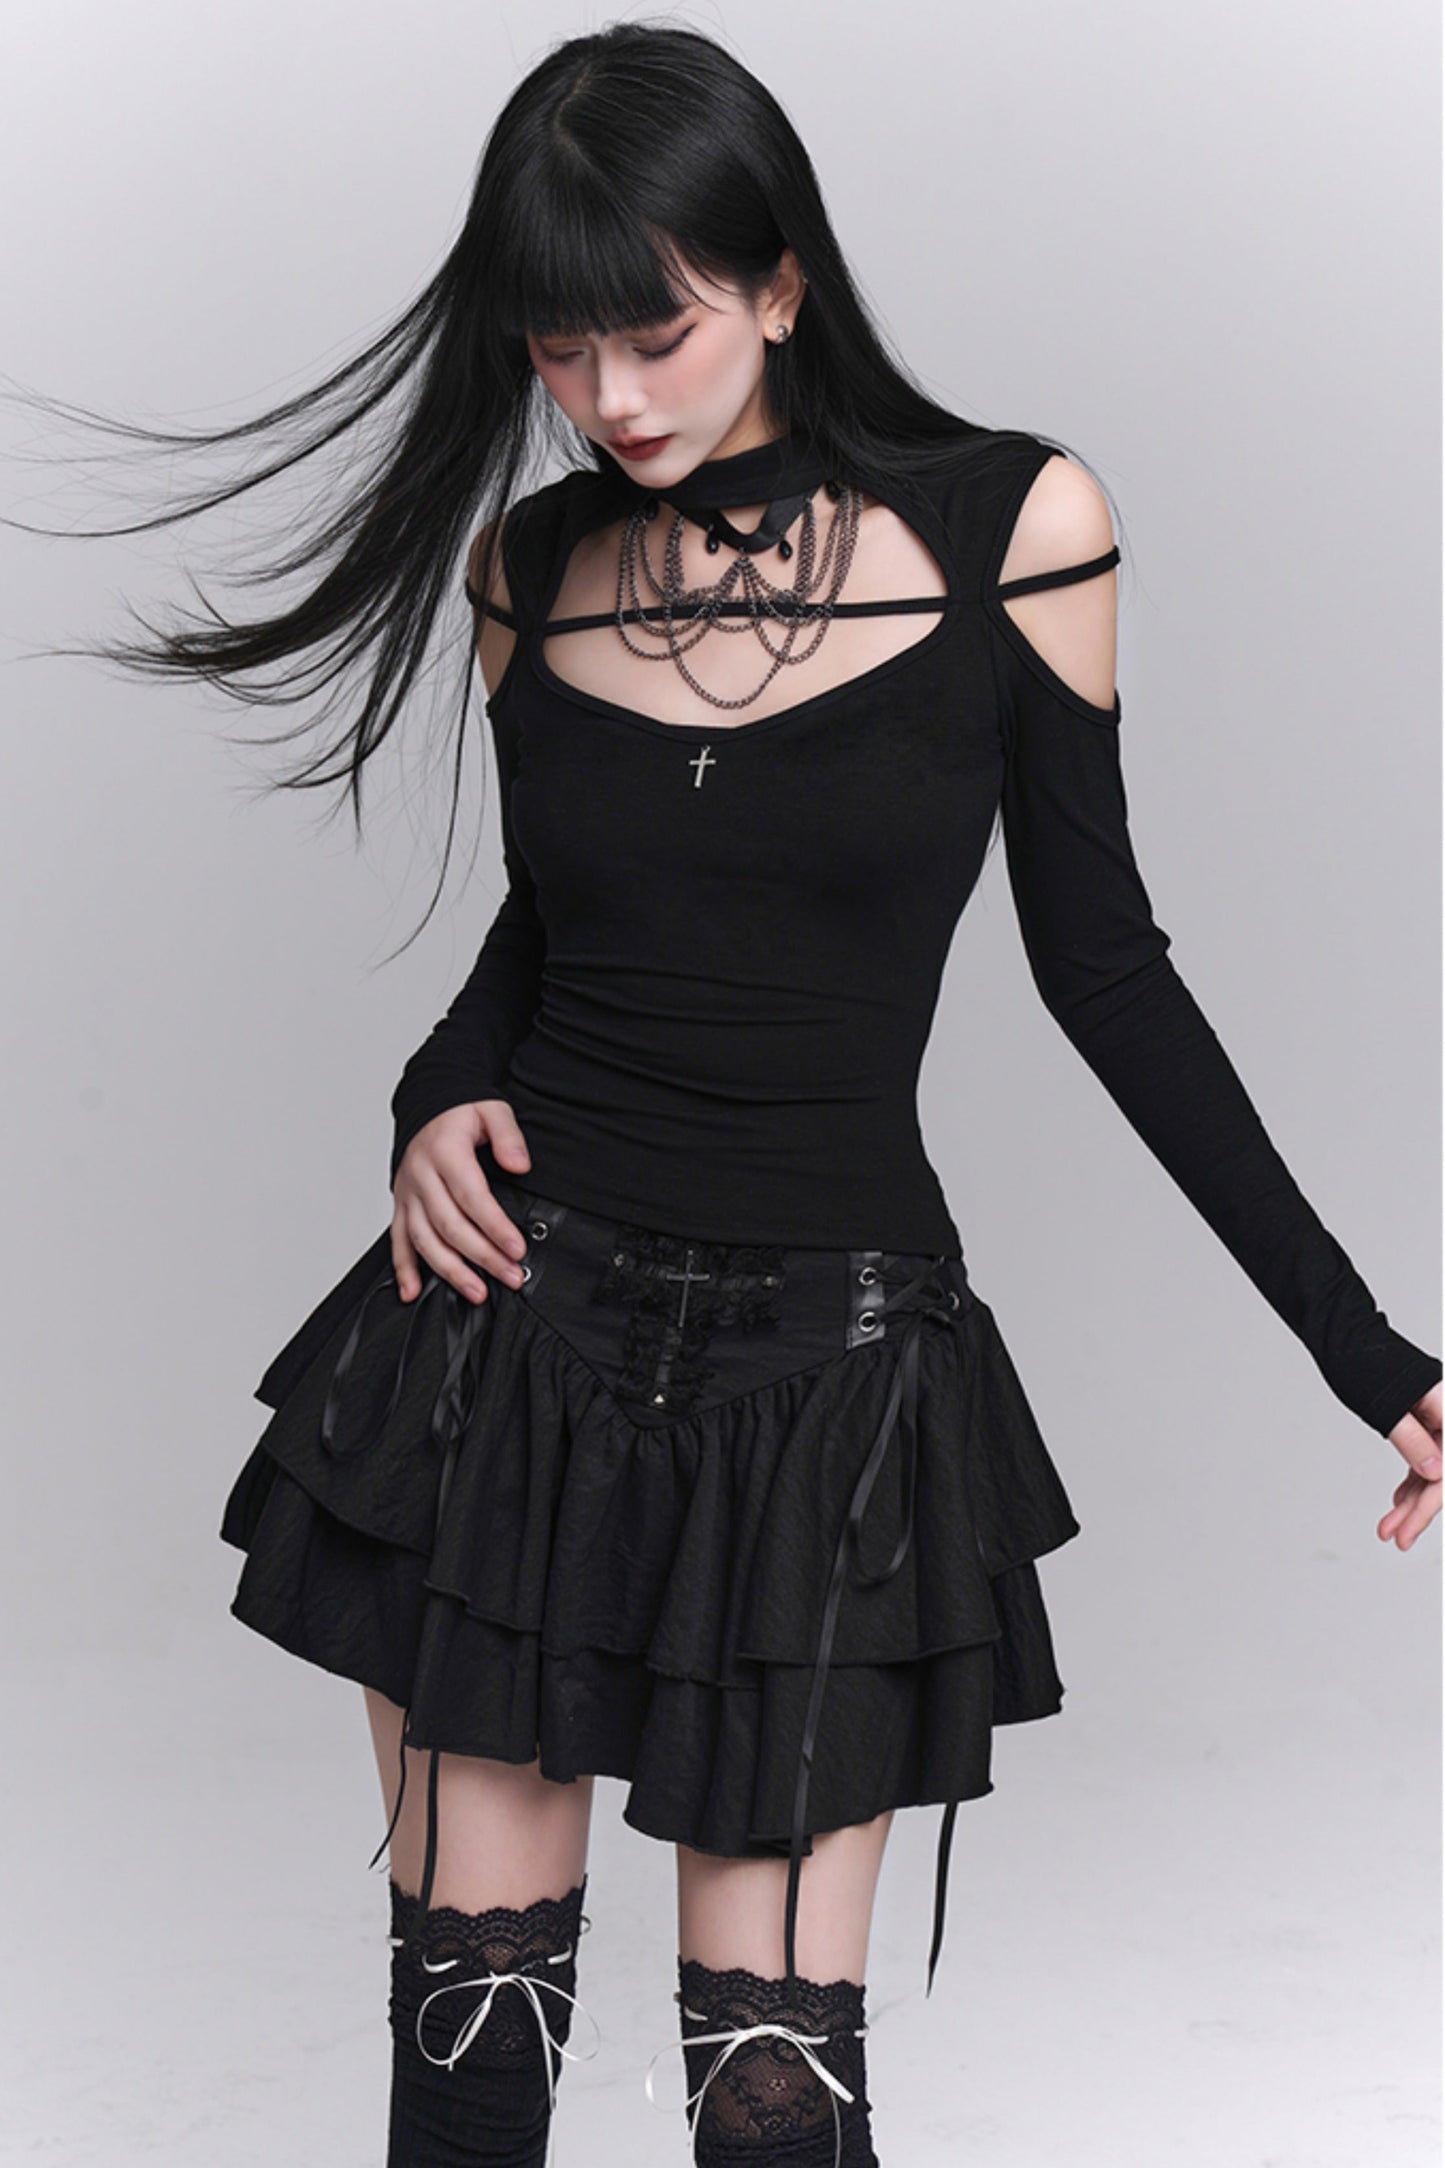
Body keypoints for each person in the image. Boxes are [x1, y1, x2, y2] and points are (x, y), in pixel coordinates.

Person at [14, 22, 1439, 2168]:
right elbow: (558, 930)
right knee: (469, 2065)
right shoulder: (531, 572)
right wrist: (430, 1096)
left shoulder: (1015, 529)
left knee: (775, 2101)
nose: (610, 398)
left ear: (779, 282)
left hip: (827, 1388)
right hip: (511, 1352)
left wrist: (1369, 1353)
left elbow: (1108, 971)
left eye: (655, 332)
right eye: (558, 350)